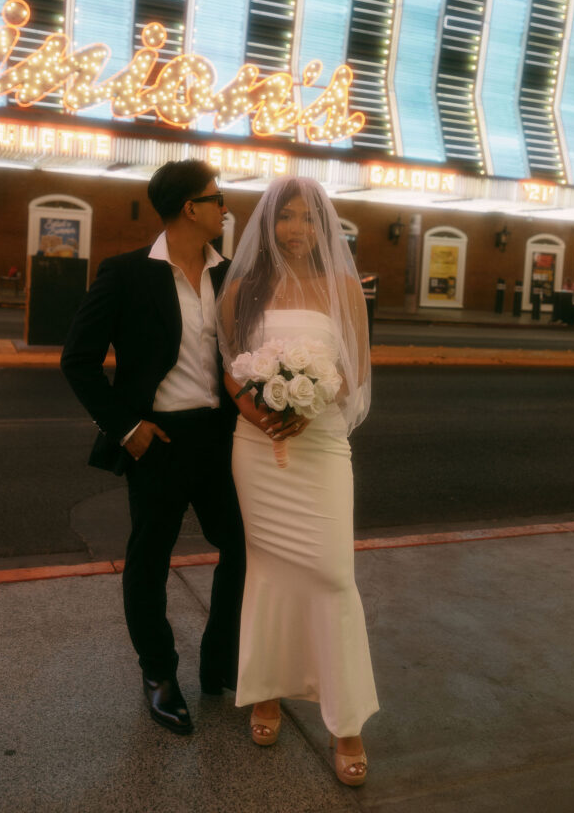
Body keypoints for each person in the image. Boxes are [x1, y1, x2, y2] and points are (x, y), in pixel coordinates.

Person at [61, 160, 244, 736]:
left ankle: (220, 662)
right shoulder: (126, 275)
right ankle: (160, 674)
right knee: (150, 561)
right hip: (158, 441)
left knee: (244, 547)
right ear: (191, 207)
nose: (226, 208)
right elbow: (78, 361)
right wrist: (127, 427)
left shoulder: (231, 275)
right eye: (219, 198)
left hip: (221, 438)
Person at [217, 176, 378, 787]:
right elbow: (229, 368)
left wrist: (311, 399)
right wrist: (259, 410)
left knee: (335, 574)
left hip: (322, 444)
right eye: (285, 217)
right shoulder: (244, 286)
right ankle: (267, 690)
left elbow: (355, 369)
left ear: (324, 228)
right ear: (268, 222)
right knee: (269, 571)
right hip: (259, 449)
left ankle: (347, 720)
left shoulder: (344, 287)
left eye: (308, 220)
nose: (296, 230)